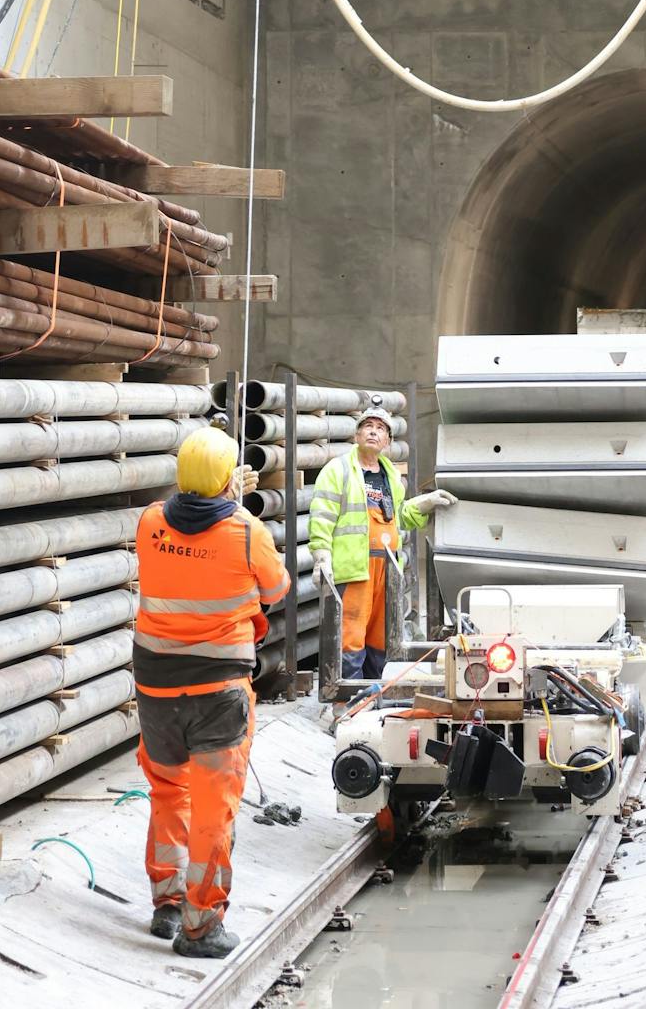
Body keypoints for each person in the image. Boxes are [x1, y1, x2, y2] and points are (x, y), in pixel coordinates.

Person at [133, 423, 289, 961]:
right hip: (217, 691)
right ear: (229, 480)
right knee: (212, 809)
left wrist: (222, 501)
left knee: (167, 792)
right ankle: (200, 928)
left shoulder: (150, 522)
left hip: (155, 688)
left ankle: (167, 906)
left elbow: (184, 535)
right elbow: (277, 588)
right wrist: (239, 509)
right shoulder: (246, 532)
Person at [307, 396, 456, 679]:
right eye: (368, 426)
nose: (373, 431)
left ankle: (372, 694)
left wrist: (423, 504)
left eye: (380, 428)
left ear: (387, 441)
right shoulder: (338, 471)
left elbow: (398, 516)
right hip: (354, 570)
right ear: (357, 435)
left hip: (386, 571)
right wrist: (321, 556)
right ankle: (345, 700)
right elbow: (322, 516)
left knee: (380, 638)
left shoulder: (391, 478)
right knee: (349, 635)